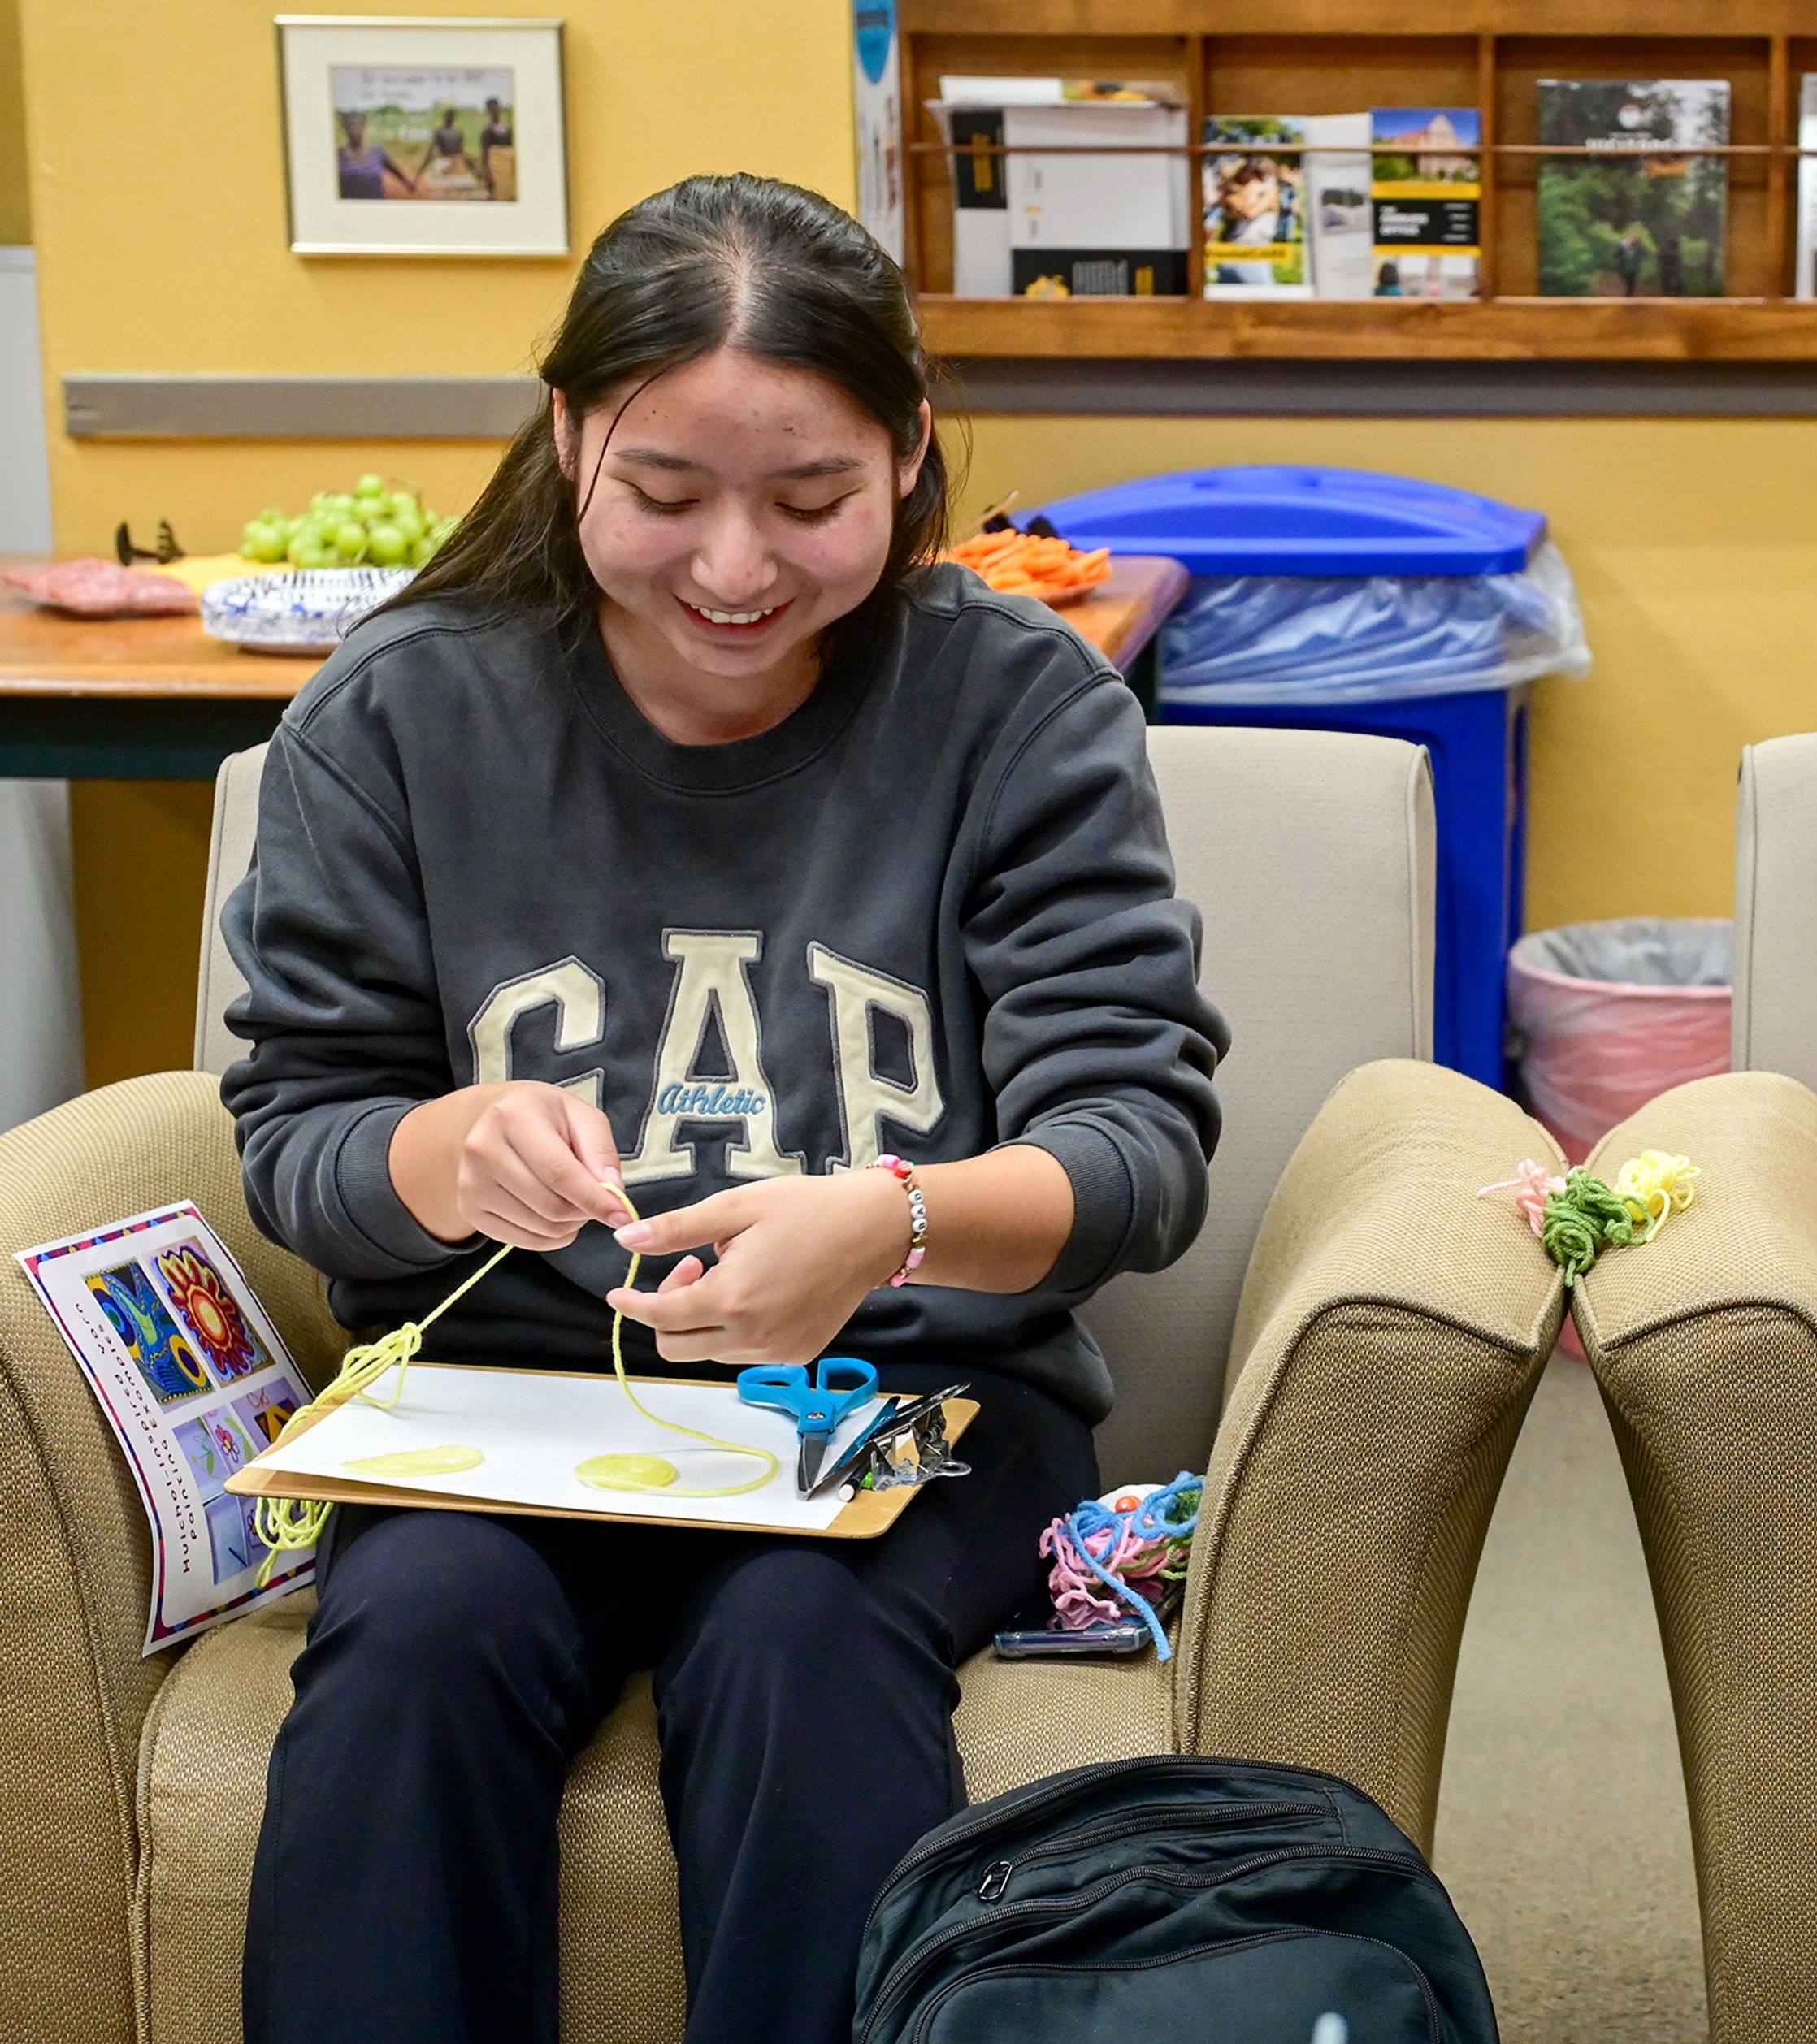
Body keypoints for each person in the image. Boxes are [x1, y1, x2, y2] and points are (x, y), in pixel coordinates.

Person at [223, 172, 1225, 2044]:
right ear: (565, 435)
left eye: (815, 500)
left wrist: (892, 1221)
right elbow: (300, 1130)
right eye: (665, 496)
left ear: (912, 452)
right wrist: (439, 1153)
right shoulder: (395, 714)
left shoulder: (1018, 708)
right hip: (509, 1401)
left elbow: (1136, 1146)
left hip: (920, 1395)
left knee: (796, 1637)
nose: (738, 568)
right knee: (411, 1643)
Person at [332, 110, 414, 201]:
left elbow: (394, 169)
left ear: (364, 126)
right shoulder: (338, 156)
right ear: (345, 128)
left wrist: (407, 182)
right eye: (350, 125)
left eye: (358, 125)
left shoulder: (378, 153)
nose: (354, 129)